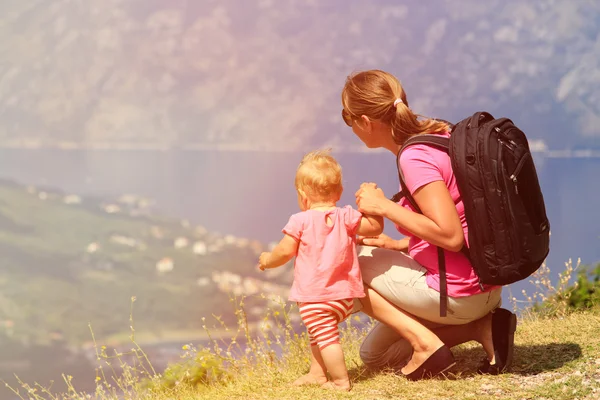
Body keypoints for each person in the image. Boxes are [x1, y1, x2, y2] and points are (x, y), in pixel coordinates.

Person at [340, 69, 517, 380]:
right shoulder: (439, 135)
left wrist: (384, 207)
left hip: (458, 293)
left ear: (365, 122)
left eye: (348, 117)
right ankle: (485, 327)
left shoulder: (415, 158)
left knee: (345, 260)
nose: (350, 125)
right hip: (484, 286)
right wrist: (400, 244)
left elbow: (450, 235)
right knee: (376, 356)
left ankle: (426, 346)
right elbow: (462, 220)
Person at [257, 149, 384, 391]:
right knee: (318, 332)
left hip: (317, 295)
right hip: (345, 294)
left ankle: (340, 380)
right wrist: (374, 204)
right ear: (339, 192)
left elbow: (284, 252)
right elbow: (375, 228)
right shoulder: (346, 216)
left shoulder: (300, 221)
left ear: (302, 195)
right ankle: (317, 373)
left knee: (326, 338)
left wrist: (266, 260)